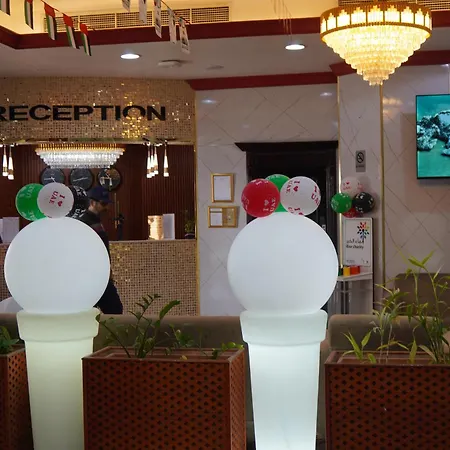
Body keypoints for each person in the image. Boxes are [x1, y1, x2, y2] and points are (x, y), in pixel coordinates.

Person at [79, 186, 123, 314]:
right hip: (93, 276)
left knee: (112, 310)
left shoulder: (95, 220)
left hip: (99, 275)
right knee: (114, 310)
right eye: (103, 204)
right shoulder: (84, 222)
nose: (106, 207)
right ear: (93, 202)